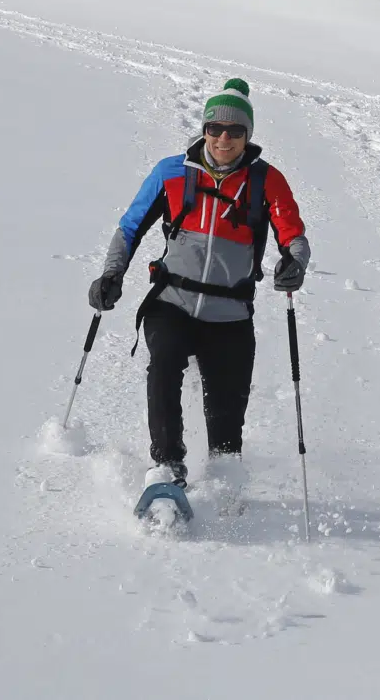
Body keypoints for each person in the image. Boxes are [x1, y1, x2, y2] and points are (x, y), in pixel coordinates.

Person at [87, 78, 310, 488]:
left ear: (248, 135)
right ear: (204, 129)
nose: (224, 138)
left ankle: (225, 481)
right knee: (164, 367)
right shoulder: (171, 172)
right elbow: (130, 227)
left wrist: (295, 263)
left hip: (231, 312)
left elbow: (292, 236)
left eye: (235, 131)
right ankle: (168, 467)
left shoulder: (266, 181)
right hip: (172, 300)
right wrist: (111, 273)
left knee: (226, 414)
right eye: (215, 129)